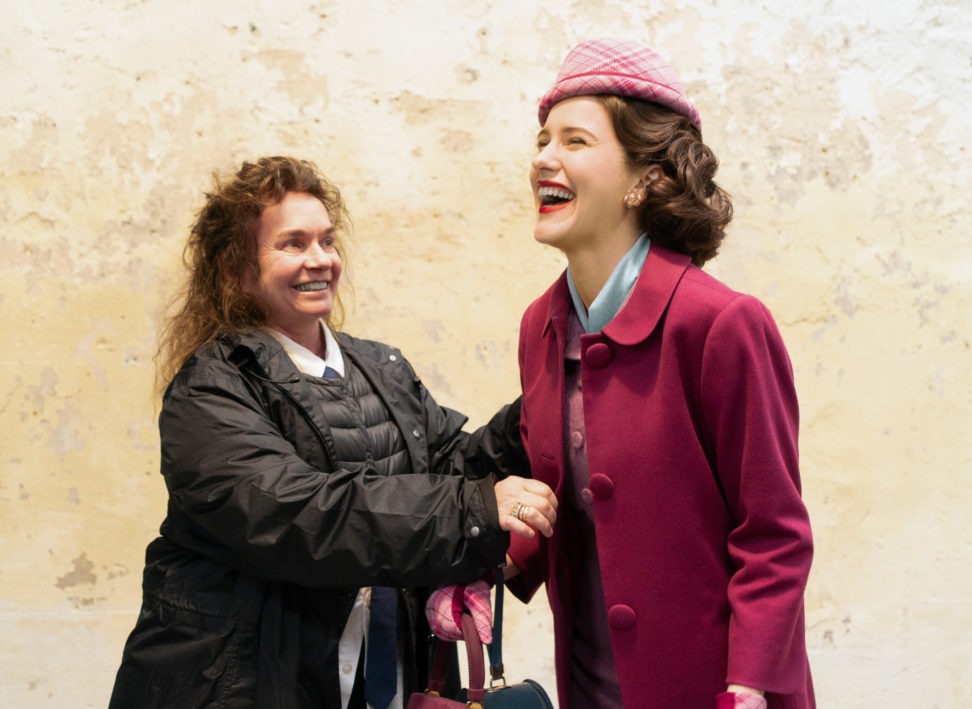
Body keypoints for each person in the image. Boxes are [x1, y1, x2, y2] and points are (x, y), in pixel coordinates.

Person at [109, 155, 557, 709]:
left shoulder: (381, 368)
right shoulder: (210, 388)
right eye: (292, 244)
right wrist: (471, 509)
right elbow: (296, 515)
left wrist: (545, 404)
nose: (318, 260)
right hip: (239, 688)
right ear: (236, 269)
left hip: (373, 680)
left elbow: (453, 469)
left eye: (326, 240)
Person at [504, 38, 815, 708]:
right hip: (589, 684)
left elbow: (774, 533)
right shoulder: (540, 326)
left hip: (713, 690)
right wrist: (490, 550)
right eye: (542, 139)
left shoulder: (723, 324)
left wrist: (749, 685)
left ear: (644, 178)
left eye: (576, 141)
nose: (543, 159)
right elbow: (567, 496)